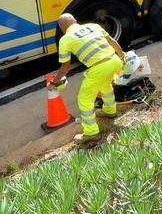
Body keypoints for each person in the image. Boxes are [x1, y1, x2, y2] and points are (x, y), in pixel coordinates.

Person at [49, 13, 125, 144]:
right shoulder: (93, 26)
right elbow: (112, 42)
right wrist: (123, 56)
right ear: (75, 21)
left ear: (61, 27)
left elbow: (66, 66)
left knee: (84, 99)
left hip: (99, 67)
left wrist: (55, 81)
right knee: (105, 86)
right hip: (115, 60)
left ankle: (91, 133)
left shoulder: (65, 39)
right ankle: (110, 111)